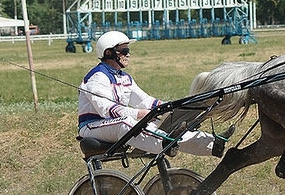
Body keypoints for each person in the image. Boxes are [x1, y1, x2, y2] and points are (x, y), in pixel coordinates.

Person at [78, 31, 234, 157]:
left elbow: (145, 100)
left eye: (128, 51)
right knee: (126, 122)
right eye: (124, 51)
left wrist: (169, 107)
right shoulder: (98, 76)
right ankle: (165, 144)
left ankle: (212, 144)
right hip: (93, 126)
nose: (128, 54)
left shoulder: (124, 77)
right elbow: (106, 110)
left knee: (164, 124)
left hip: (115, 124)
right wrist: (139, 114)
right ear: (109, 52)